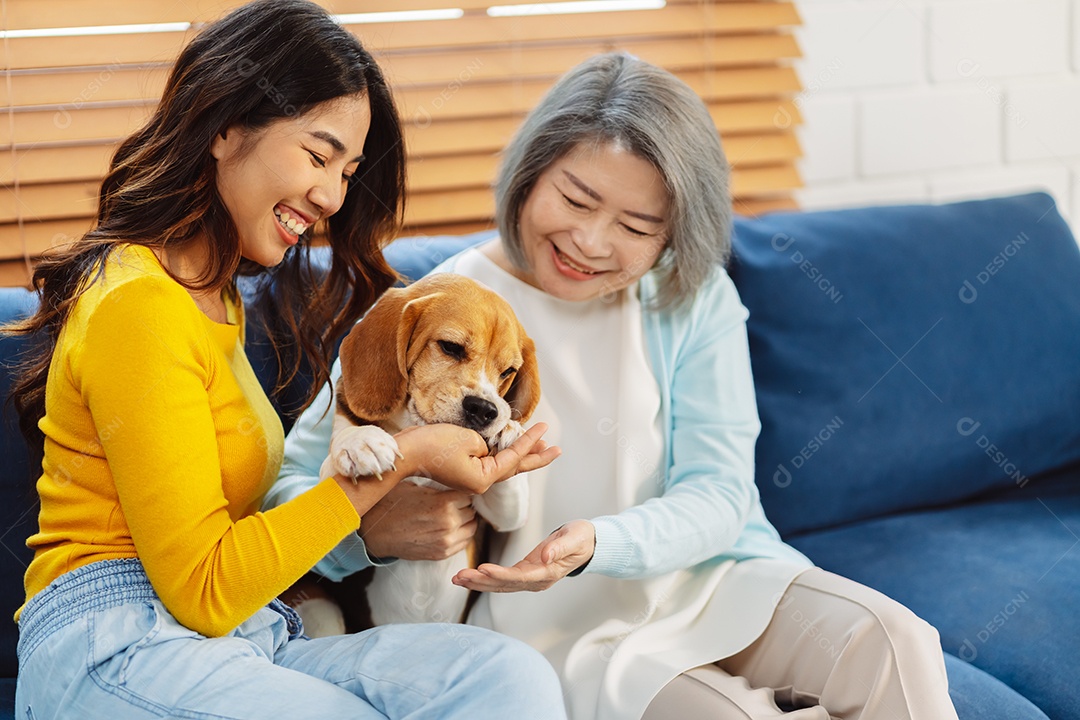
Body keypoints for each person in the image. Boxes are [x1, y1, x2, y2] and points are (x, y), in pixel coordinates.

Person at [268, 52, 960, 719]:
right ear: (531, 176)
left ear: (673, 236)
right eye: (576, 198)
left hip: (720, 574)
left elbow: (720, 493)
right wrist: (369, 532)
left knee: (897, 642)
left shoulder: (694, 298)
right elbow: (288, 494)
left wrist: (598, 542)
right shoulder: (444, 310)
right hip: (551, 625)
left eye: (637, 226)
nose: (592, 243)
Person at [4, 2, 568, 718]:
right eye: (318, 154)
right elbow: (205, 589)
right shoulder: (138, 306)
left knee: (506, 677)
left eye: (348, 170)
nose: (332, 196)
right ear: (225, 126)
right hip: (113, 641)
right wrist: (409, 454)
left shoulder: (219, 299)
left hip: (238, 632)